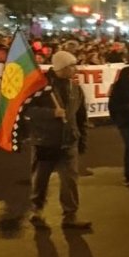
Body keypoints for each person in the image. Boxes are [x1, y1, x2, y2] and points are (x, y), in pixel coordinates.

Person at [20, 51, 91, 230]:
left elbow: (81, 115)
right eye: (72, 65)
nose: (76, 69)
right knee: (40, 180)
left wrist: (81, 138)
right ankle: (36, 210)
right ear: (62, 67)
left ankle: (70, 215)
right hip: (45, 142)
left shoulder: (75, 88)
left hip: (69, 142)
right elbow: (27, 111)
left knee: (70, 181)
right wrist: (51, 113)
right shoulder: (40, 87)